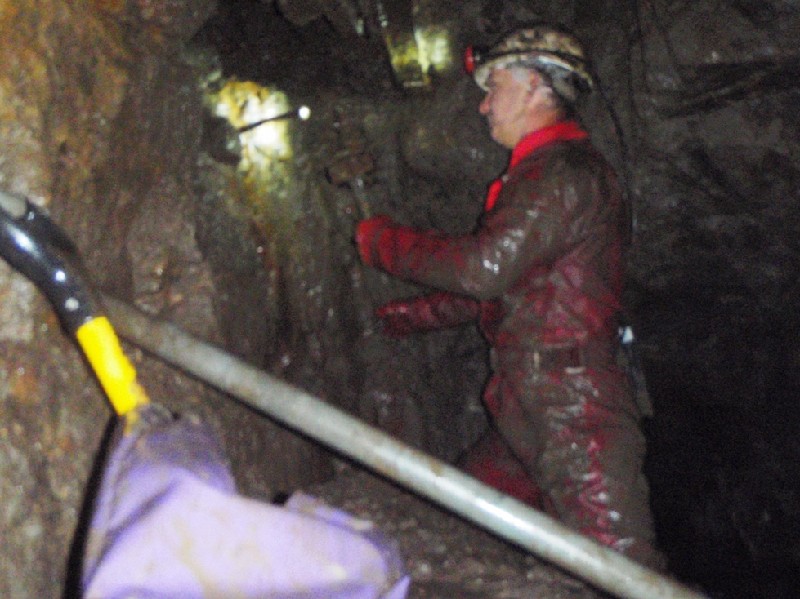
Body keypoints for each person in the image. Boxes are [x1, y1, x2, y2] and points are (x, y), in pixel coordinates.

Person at [355, 24, 664, 569]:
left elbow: (483, 270)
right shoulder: (546, 173)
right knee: (456, 515)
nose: (483, 107)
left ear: (536, 88)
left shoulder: (563, 175)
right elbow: (511, 289)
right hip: (532, 404)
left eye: (493, 85)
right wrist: (413, 316)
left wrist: (380, 243)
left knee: (625, 577)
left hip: (575, 414)